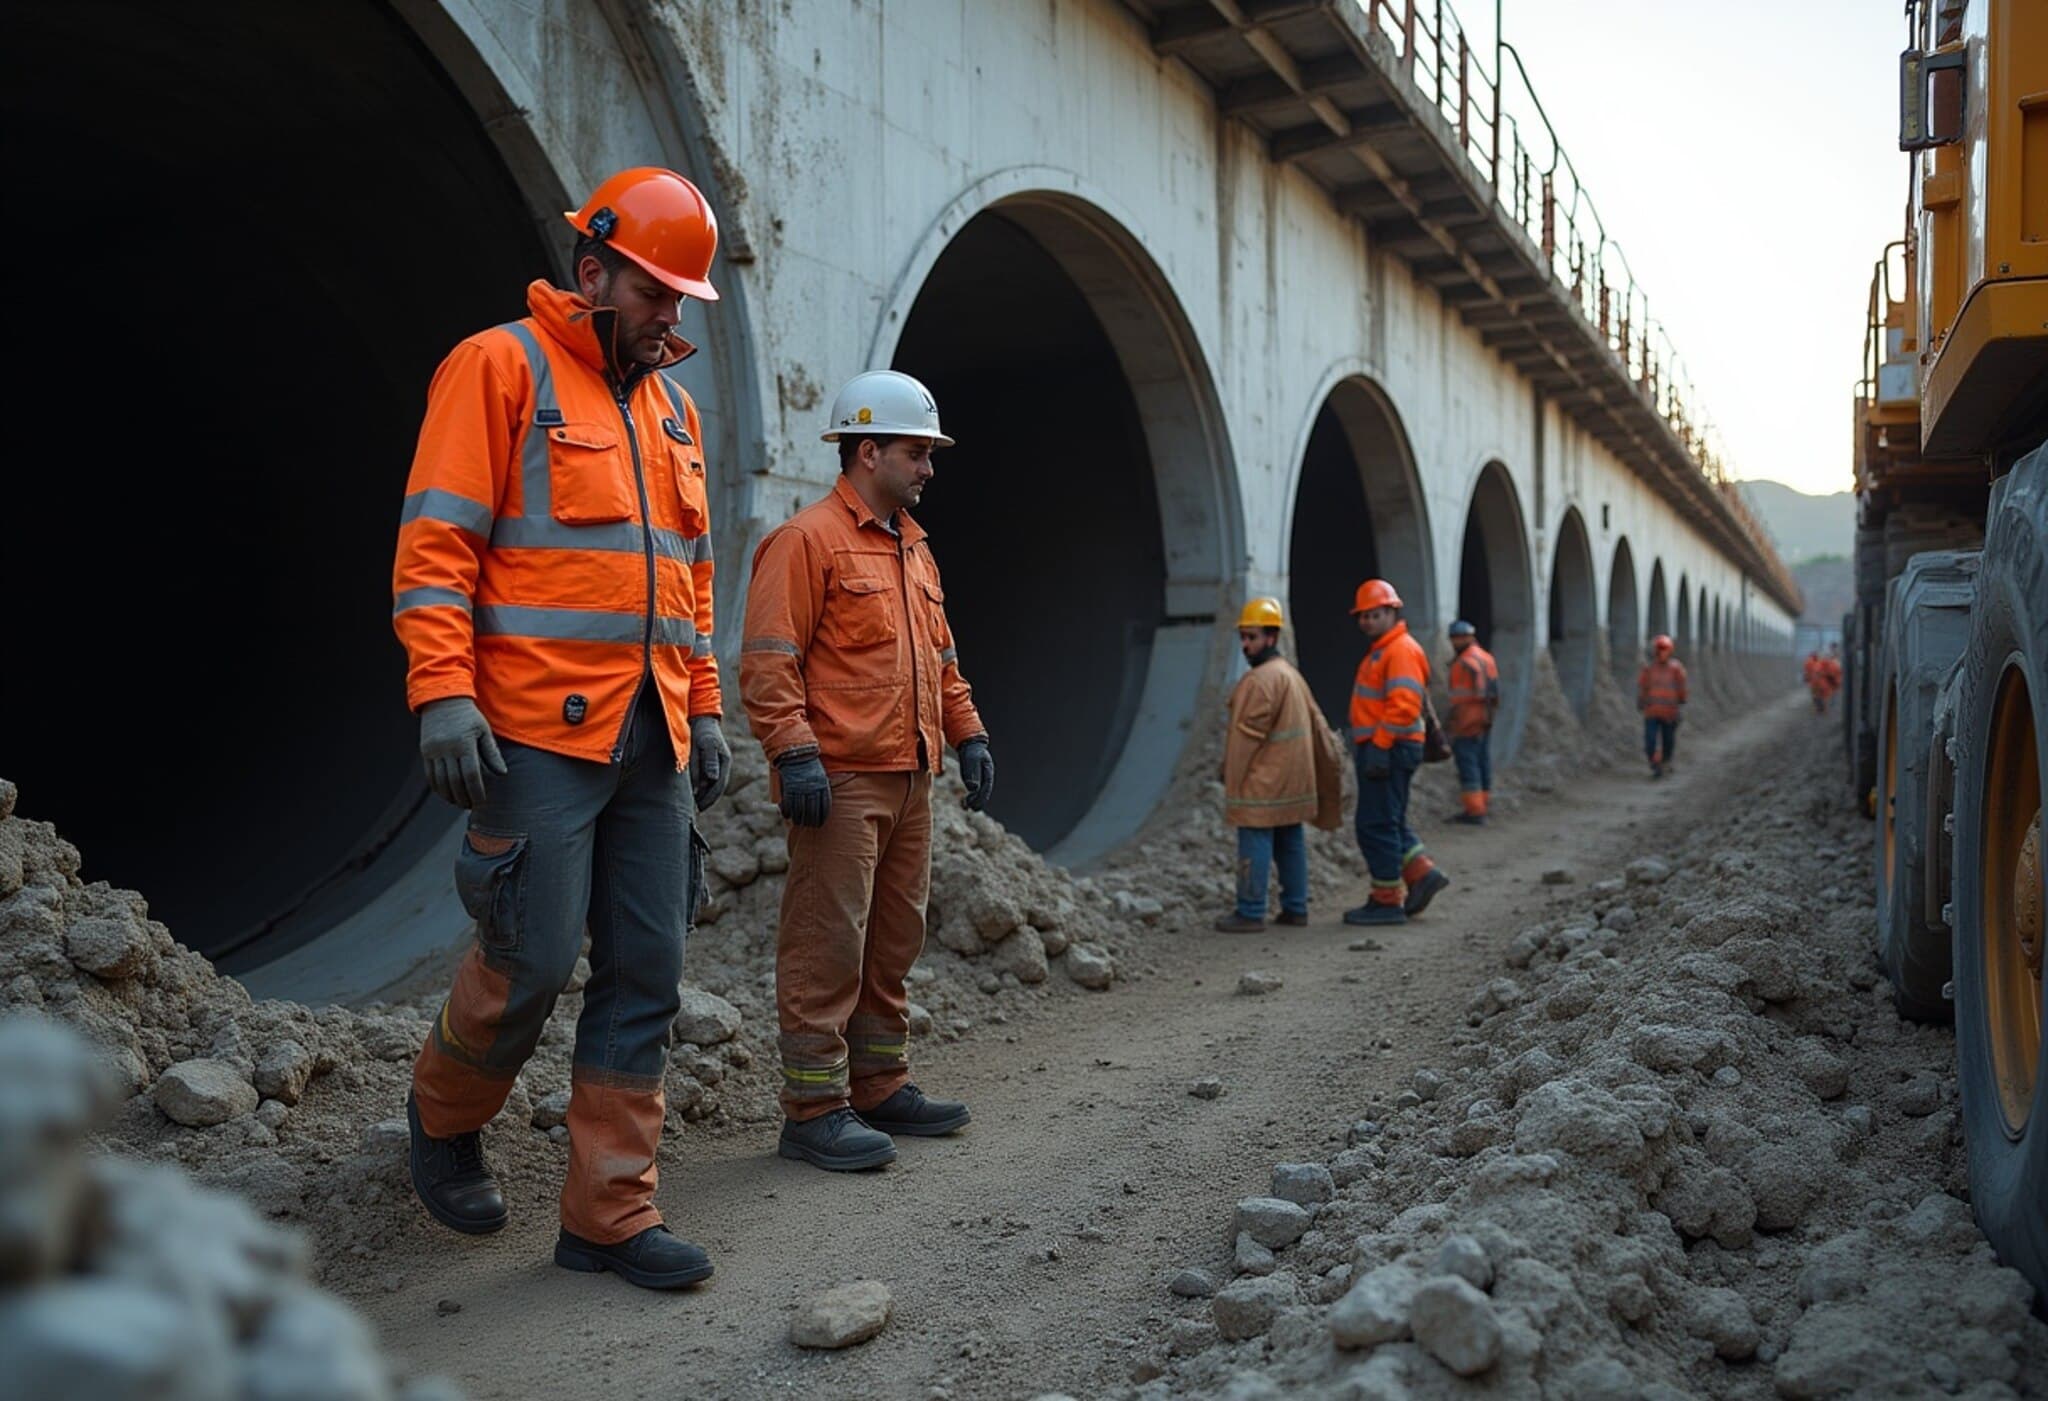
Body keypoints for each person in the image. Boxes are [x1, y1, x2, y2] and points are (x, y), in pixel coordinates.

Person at [391, 167, 730, 1289]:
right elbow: (438, 545)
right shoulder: (499, 368)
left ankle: (607, 1217)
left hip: (654, 739)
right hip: (533, 733)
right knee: (529, 959)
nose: (670, 317)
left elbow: (692, 574)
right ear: (591, 273)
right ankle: (442, 1115)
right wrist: (442, 689)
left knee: (648, 969)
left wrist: (707, 705)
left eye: (681, 300)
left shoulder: (671, 410)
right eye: (654, 293)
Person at [739, 369, 992, 1172]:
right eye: (917, 452)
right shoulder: (805, 541)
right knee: (828, 940)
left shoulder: (915, 551)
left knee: (892, 939)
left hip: (912, 771)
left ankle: (880, 1083)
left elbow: (941, 658)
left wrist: (968, 732)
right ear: (868, 448)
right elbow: (770, 661)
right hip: (842, 777)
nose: (928, 468)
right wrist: (795, 751)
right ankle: (814, 1106)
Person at [1213, 598, 1343, 932]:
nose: (1245, 645)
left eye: (1251, 637)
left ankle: (1250, 911)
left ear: (1271, 637)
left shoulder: (1259, 681)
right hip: (1293, 780)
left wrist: (1232, 781)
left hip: (1262, 782)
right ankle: (1295, 908)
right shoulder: (1291, 675)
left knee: (1254, 841)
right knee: (1290, 842)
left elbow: (1244, 741)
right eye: (1242, 637)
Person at [1344, 580, 1450, 926]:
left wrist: (1380, 745)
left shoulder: (1399, 650)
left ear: (1392, 612)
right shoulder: (1385, 649)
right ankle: (1422, 874)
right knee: (1388, 820)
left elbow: (1404, 706)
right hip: (1388, 747)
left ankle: (1387, 899)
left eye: (1374, 615)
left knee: (1375, 824)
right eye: (1363, 617)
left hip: (1389, 748)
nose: (1368, 622)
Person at [1441, 620, 1499, 825]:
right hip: (1485, 717)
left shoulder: (1463, 664)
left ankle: (1475, 811)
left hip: (1467, 720)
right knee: (1482, 760)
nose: (1455, 642)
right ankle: (1482, 803)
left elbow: (1458, 701)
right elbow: (1493, 692)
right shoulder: (1486, 658)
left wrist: (1450, 726)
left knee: (1468, 763)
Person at [1638, 633, 1689, 779]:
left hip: (1669, 713)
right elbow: (1643, 687)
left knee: (1668, 740)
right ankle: (1655, 763)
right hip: (1652, 712)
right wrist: (1641, 701)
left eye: (1664, 649)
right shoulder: (1649, 669)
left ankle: (1665, 761)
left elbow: (1681, 688)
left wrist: (1682, 701)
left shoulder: (1676, 669)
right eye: (1659, 649)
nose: (1661, 652)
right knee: (1650, 741)